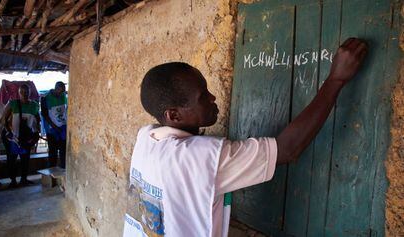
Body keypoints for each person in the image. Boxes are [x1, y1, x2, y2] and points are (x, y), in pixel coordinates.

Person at [123, 38, 367, 237]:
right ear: (174, 115)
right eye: (202, 96)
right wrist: (336, 79)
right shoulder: (197, 158)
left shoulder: (147, 138)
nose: (213, 98)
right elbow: (288, 149)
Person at [2, 84, 40, 187]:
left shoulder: (34, 105)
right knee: (12, 160)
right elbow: (3, 119)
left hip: (26, 137)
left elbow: (37, 120)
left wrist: (36, 134)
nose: (24, 94)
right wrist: (8, 132)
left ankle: (24, 179)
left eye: (26, 91)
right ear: (19, 93)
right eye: (22, 92)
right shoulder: (12, 104)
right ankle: (13, 181)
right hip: (14, 138)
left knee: (25, 159)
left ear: (30, 92)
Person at [40, 82, 67, 168]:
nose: (61, 93)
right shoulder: (45, 97)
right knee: (53, 153)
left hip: (62, 128)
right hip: (51, 129)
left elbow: (64, 111)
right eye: (60, 91)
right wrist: (55, 127)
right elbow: (45, 115)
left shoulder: (63, 96)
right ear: (56, 88)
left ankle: (63, 171)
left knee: (63, 151)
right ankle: (52, 176)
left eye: (63, 92)